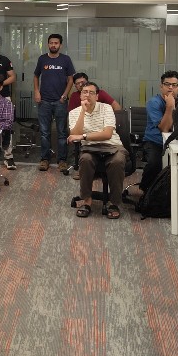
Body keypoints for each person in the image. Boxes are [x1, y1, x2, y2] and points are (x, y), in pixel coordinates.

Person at [67, 81, 128, 219]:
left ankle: (114, 203)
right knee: (85, 159)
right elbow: (74, 135)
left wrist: (83, 136)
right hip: (90, 148)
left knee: (118, 161)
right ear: (80, 95)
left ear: (97, 96)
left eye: (91, 93)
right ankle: (87, 201)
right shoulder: (74, 113)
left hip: (112, 146)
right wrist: (83, 111)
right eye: (84, 92)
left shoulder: (106, 108)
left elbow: (107, 134)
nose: (87, 95)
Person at [33, 33, 76, 173]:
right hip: (44, 101)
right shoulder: (42, 59)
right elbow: (36, 76)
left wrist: (65, 95)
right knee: (44, 133)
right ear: (48, 44)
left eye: (56, 43)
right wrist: (37, 92)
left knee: (62, 132)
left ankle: (62, 160)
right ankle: (45, 159)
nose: (53, 45)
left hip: (60, 102)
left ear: (60, 45)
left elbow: (71, 79)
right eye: (51, 43)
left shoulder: (65, 59)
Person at [137, 70, 178, 196]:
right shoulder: (154, 102)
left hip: (176, 142)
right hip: (155, 141)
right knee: (154, 163)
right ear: (161, 86)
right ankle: (146, 191)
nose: (170, 87)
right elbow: (165, 129)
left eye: (174, 85)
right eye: (167, 84)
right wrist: (170, 106)